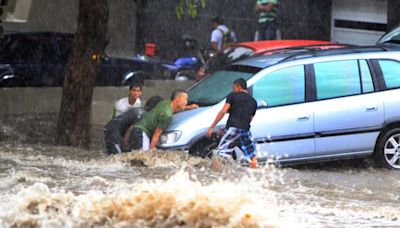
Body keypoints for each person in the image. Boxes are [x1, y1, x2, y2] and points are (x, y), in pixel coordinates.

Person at [207, 78, 258, 168]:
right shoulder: (253, 101)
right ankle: (255, 174)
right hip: (245, 130)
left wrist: (212, 126)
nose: (233, 90)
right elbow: (249, 119)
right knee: (252, 157)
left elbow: (223, 112)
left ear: (238, 87)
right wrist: (227, 129)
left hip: (233, 128)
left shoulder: (232, 96)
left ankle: (218, 177)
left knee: (218, 156)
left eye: (233, 88)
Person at [126, 89, 198, 151]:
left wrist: (188, 107)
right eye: (185, 99)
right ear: (177, 99)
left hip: (137, 129)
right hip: (141, 133)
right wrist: (152, 150)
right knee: (143, 159)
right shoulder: (167, 116)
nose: (186, 102)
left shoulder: (166, 103)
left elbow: (176, 108)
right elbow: (156, 135)